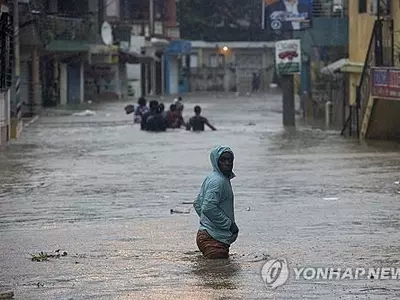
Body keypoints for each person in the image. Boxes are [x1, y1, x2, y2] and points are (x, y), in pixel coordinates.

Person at [194, 146, 239, 259]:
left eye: (230, 160)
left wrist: (207, 222)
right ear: (215, 161)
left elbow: (197, 203)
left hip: (208, 236)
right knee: (220, 274)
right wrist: (228, 224)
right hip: (213, 239)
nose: (228, 163)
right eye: (223, 160)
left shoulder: (213, 177)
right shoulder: (218, 181)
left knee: (215, 272)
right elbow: (208, 208)